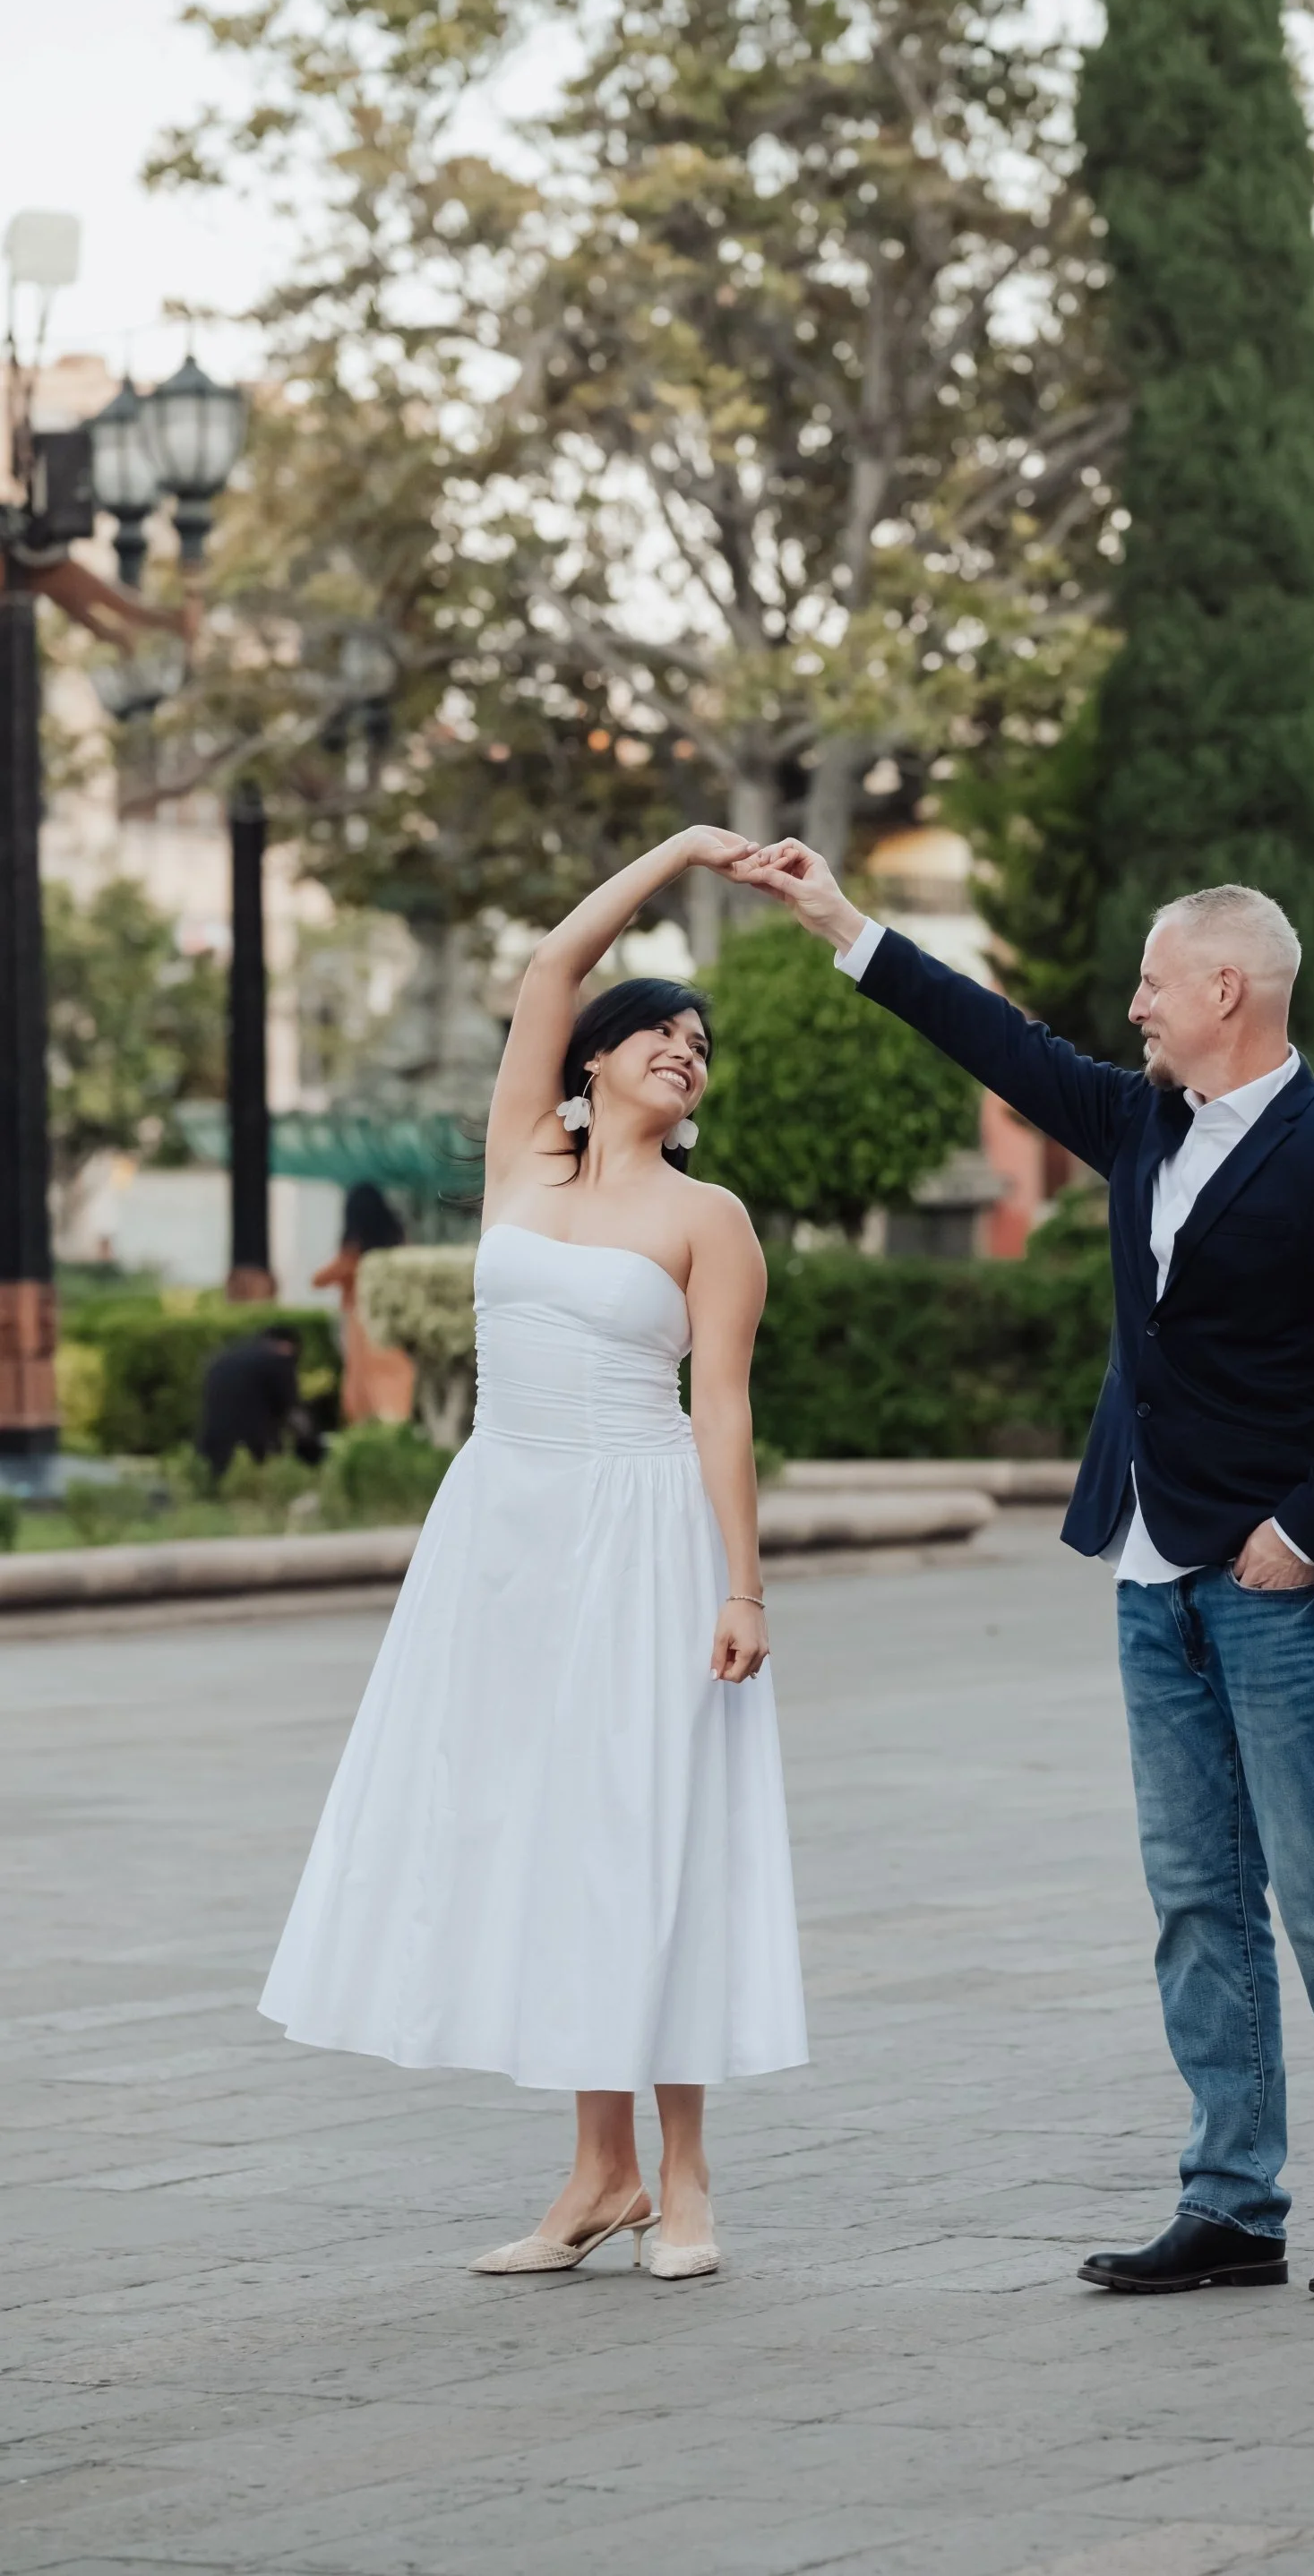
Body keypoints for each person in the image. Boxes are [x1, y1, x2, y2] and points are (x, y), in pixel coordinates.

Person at [738, 837, 1314, 2303]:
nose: (1134, 1007)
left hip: (1277, 1588)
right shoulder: (1144, 1121)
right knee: (1198, 1899)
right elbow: (1002, 1044)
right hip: (1152, 1571)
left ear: (1227, 989)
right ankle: (1232, 2202)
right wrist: (842, 922)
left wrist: (1303, 1530)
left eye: (1155, 983)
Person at [261, 829, 807, 2284]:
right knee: (551, 1839)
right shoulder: (524, 1162)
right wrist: (682, 851)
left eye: (702, 1046)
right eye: (660, 1033)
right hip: (505, 1533)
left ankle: (684, 2180)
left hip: (643, 1535)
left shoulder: (710, 1219)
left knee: (652, 1831)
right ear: (594, 1060)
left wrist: (743, 1585)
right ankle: (597, 2175)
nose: (685, 1052)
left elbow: (722, 1408)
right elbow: (556, 961)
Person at [312, 1181, 416, 1425]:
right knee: (392, 1373)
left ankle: (366, 1430)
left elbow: (319, 1280)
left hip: (360, 1320)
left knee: (361, 1380)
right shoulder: (397, 1240)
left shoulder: (354, 1251)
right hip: (393, 1318)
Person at [195, 1324, 321, 1478]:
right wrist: (313, 1450)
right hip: (256, 1452)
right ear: (288, 1346)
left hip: (212, 1449)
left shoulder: (220, 1361)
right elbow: (295, 1414)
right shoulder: (278, 1361)